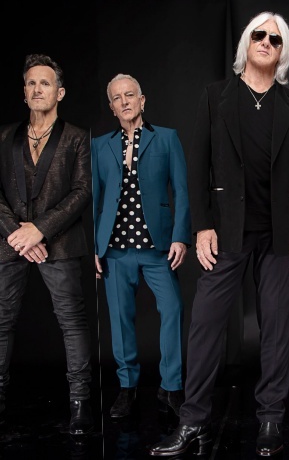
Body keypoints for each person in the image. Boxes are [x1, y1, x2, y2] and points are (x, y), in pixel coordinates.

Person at [148, 11, 289, 458]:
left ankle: (270, 419)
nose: (266, 42)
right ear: (247, 42)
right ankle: (193, 421)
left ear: (283, 52)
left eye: (275, 39)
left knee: (275, 328)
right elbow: (197, 166)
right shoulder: (215, 96)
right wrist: (201, 226)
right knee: (205, 324)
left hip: (280, 235)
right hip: (226, 231)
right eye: (259, 35)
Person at [0, 54, 93, 435]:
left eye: (45, 83)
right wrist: (18, 233)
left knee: (72, 323)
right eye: (31, 83)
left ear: (60, 92)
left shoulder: (77, 137)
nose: (38, 89)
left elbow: (82, 191)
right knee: (1, 322)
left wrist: (39, 230)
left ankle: (80, 404)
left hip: (60, 241)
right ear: (24, 93)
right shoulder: (5, 136)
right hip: (10, 241)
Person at [92, 73, 191, 419]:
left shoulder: (166, 138)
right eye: (117, 98)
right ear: (111, 107)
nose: (124, 102)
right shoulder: (100, 145)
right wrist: (96, 246)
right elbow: (95, 199)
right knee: (120, 320)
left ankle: (171, 387)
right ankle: (127, 387)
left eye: (130, 95)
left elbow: (181, 191)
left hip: (157, 248)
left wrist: (180, 236)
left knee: (173, 309)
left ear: (142, 100)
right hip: (115, 249)